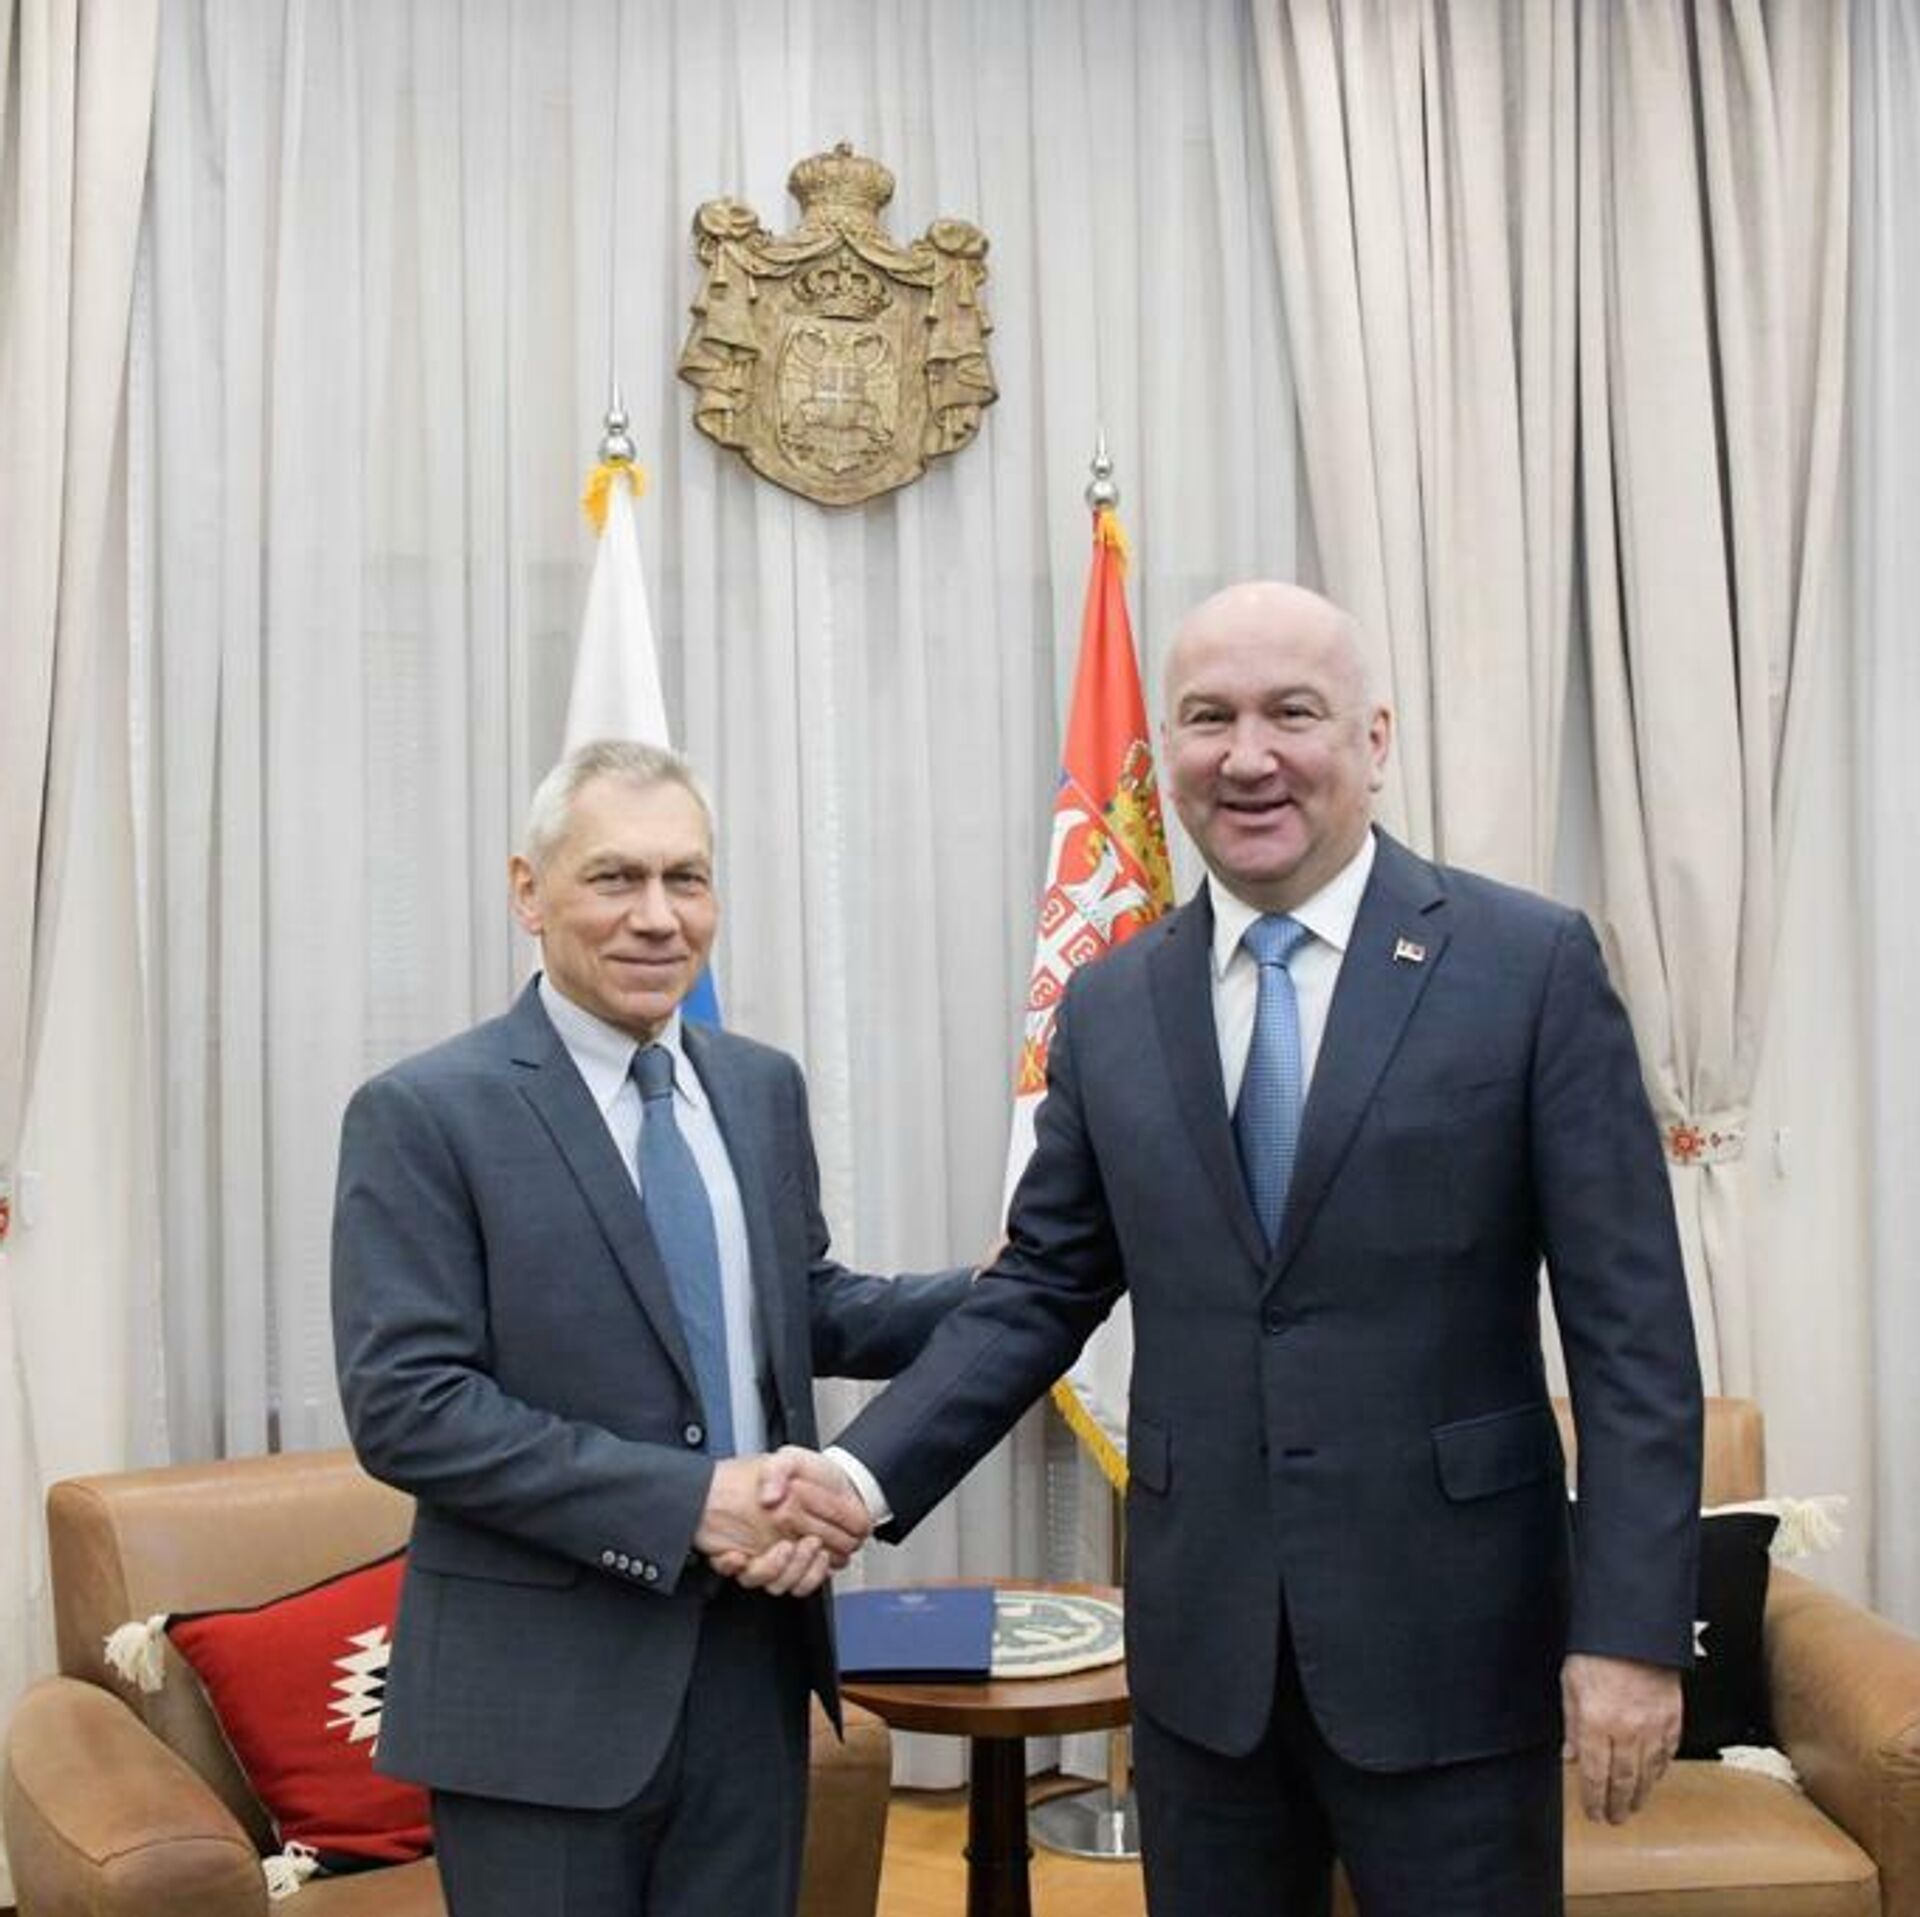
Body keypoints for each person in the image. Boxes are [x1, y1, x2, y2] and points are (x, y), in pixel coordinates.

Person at [801, 582, 1704, 1916]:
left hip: (1455, 1651)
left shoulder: (1528, 968)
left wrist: (1629, 1633)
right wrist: (856, 1477)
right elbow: (1042, 1286)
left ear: (1374, 739)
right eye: (1209, 718)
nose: (1249, 756)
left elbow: (1633, 1338)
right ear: (1165, 749)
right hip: (1205, 1668)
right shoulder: (1112, 1005)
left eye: (1293, 713)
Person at [331, 738, 972, 1917]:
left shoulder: (760, 1086)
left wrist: (1014, 1286)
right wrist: (690, 1504)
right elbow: (408, 1408)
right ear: (529, 892)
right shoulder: (424, 1113)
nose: (658, 917)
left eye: (687, 878)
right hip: (539, 1704)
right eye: (615, 878)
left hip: (752, 1665)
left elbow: (802, 1308)